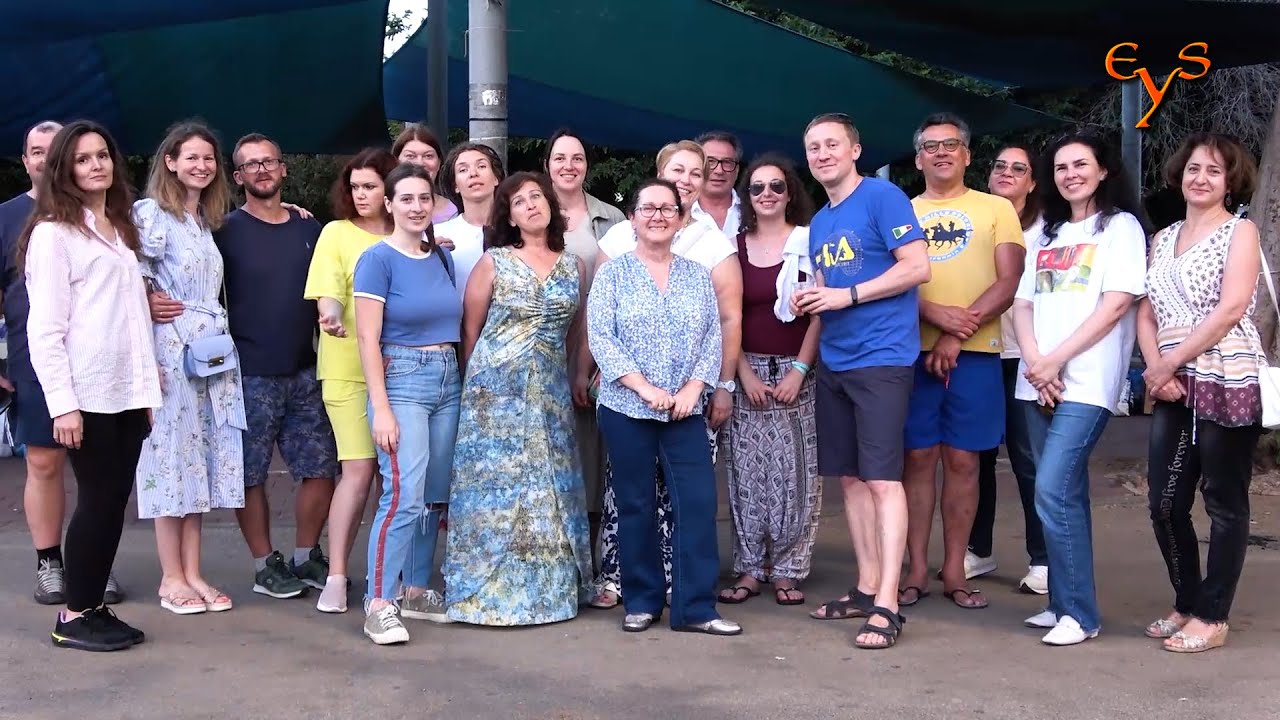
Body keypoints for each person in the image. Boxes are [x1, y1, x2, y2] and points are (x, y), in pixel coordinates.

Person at [23, 120, 161, 650]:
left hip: (128, 392)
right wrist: (64, 405)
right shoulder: (53, 235)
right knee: (98, 502)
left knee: (111, 502)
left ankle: (93, 606)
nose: (96, 165)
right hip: (88, 394)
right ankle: (74, 615)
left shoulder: (119, 230)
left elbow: (132, 321)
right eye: (83, 159)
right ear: (64, 169)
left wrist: (147, 393)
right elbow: (45, 330)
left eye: (102, 155)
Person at [794, 113, 930, 650]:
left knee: (881, 479)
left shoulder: (883, 197)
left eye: (832, 144)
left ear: (855, 150)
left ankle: (890, 604)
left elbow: (917, 266)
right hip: (836, 360)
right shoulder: (823, 219)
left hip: (882, 359)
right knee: (849, 478)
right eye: (813, 147)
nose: (823, 154)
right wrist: (814, 299)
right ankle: (867, 586)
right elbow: (827, 286)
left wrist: (846, 297)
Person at [1012, 132, 1148, 646]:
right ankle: (1063, 604)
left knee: (1051, 487)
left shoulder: (1121, 228)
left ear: (1103, 170)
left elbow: (1116, 305)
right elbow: (1022, 305)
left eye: (1080, 164)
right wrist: (1036, 362)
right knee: (1060, 492)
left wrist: (1055, 361)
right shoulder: (1046, 235)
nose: (1070, 174)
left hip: (1087, 382)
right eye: (1061, 167)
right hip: (1039, 380)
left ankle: (1082, 616)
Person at [595, 139, 743, 607]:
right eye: (648, 209)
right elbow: (601, 335)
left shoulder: (697, 273)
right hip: (627, 406)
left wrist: (698, 387)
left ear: (681, 221)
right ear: (633, 218)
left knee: (697, 504)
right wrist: (643, 389)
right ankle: (641, 603)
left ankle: (696, 606)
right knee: (635, 505)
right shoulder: (613, 272)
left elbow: (712, 335)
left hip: (686, 408)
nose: (658, 216)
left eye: (667, 210)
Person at [444, 172, 593, 625]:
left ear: (550, 204)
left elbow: (575, 330)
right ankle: (484, 594)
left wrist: (567, 374)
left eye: (536, 197)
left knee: (548, 488)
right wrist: (480, 389)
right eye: (519, 201)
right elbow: (471, 332)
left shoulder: (574, 266)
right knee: (495, 490)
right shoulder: (493, 262)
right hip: (494, 393)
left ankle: (552, 593)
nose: (531, 205)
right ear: (507, 215)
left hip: (549, 390)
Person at [1137, 133, 1263, 654]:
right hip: (1170, 382)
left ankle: (1213, 616)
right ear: (1179, 174)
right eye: (1193, 168)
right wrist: (1155, 368)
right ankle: (1187, 601)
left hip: (1225, 375)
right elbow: (1145, 310)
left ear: (1230, 181)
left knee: (1223, 502)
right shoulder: (1162, 237)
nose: (1201, 178)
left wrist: (1170, 360)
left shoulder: (1241, 231)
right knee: (1164, 503)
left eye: (1214, 171)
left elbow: (1232, 307)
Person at [0, 121, 129, 606]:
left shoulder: (108, 219)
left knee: (97, 476)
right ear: (29, 159)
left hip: (96, 363)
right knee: (44, 461)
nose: (45, 158)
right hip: (36, 359)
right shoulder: (16, 220)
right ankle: (50, 563)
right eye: (38, 151)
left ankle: (91, 566)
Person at [900, 114, 1025, 611]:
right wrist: (933, 316)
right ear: (917, 159)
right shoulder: (901, 210)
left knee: (963, 462)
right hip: (912, 354)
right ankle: (913, 570)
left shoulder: (996, 209)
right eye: (930, 146)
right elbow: (893, 284)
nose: (941, 152)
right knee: (916, 460)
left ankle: (954, 569)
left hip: (974, 355)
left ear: (968, 155)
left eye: (951, 144)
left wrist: (956, 332)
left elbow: (1008, 282)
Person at [219, 134, 339, 598]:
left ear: (284, 168)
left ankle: (306, 555)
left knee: (321, 468)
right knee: (248, 474)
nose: (262, 170)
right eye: (251, 165)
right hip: (246, 374)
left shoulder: (312, 230)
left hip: (306, 370)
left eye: (269, 161)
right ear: (238, 177)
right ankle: (263, 563)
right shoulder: (222, 232)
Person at [133, 121, 244, 616]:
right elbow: (129, 273)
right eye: (191, 157)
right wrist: (148, 301)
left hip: (210, 353)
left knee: (201, 457)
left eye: (208, 158)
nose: (201, 165)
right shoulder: (151, 213)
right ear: (170, 161)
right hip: (169, 352)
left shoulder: (204, 220)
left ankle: (194, 571)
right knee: (169, 458)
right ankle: (170, 577)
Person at [353, 163, 462, 645]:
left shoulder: (441, 258)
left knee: (432, 496)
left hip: (447, 380)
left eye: (425, 198)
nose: (417, 207)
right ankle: (380, 601)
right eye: (407, 199)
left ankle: (415, 590)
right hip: (402, 382)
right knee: (402, 496)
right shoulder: (377, 259)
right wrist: (382, 408)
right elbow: (366, 336)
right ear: (390, 204)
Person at [716, 154, 822, 606]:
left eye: (776, 187)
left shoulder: (811, 242)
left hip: (799, 371)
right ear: (747, 197)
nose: (766, 195)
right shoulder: (733, 248)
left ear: (790, 192)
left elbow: (821, 311)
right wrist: (741, 373)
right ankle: (750, 568)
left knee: (796, 474)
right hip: (747, 371)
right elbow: (726, 317)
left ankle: (788, 569)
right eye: (757, 188)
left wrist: (799, 369)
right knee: (746, 473)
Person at [304, 148, 399, 613]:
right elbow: (327, 293)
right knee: (359, 470)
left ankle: (393, 573)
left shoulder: (412, 234)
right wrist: (330, 316)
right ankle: (338, 575)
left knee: (397, 478)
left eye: (371, 187)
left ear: (390, 191)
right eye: (355, 187)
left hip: (402, 372)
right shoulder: (335, 233)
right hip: (347, 370)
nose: (361, 195)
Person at [543, 128, 626, 582]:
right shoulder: (530, 210)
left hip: (596, 351)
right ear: (547, 164)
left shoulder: (611, 219)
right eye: (560, 157)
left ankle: (591, 562)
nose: (568, 166)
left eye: (577, 157)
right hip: (542, 349)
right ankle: (553, 561)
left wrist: (590, 361)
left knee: (592, 460)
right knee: (549, 457)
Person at [970, 143, 1048, 594]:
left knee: (1027, 460)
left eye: (1019, 169)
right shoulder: (976, 218)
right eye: (999, 165)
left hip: (1024, 354)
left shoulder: (1046, 229)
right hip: (979, 350)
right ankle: (978, 551)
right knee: (975, 456)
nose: (1007, 173)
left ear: (1033, 181)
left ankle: (1042, 559)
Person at [435, 142, 506, 298]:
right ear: (455, 186)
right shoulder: (439, 234)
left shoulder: (516, 231)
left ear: (496, 178)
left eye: (481, 166)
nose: (473, 173)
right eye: (463, 170)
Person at [392, 125, 458, 223]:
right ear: (396, 161)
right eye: (410, 156)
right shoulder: (382, 208)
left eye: (428, 156)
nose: (420, 163)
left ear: (439, 162)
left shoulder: (455, 211)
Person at [693, 130, 743, 236]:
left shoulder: (753, 213)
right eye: (710, 161)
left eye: (727, 163)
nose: (719, 171)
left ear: (737, 170)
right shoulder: (678, 213)